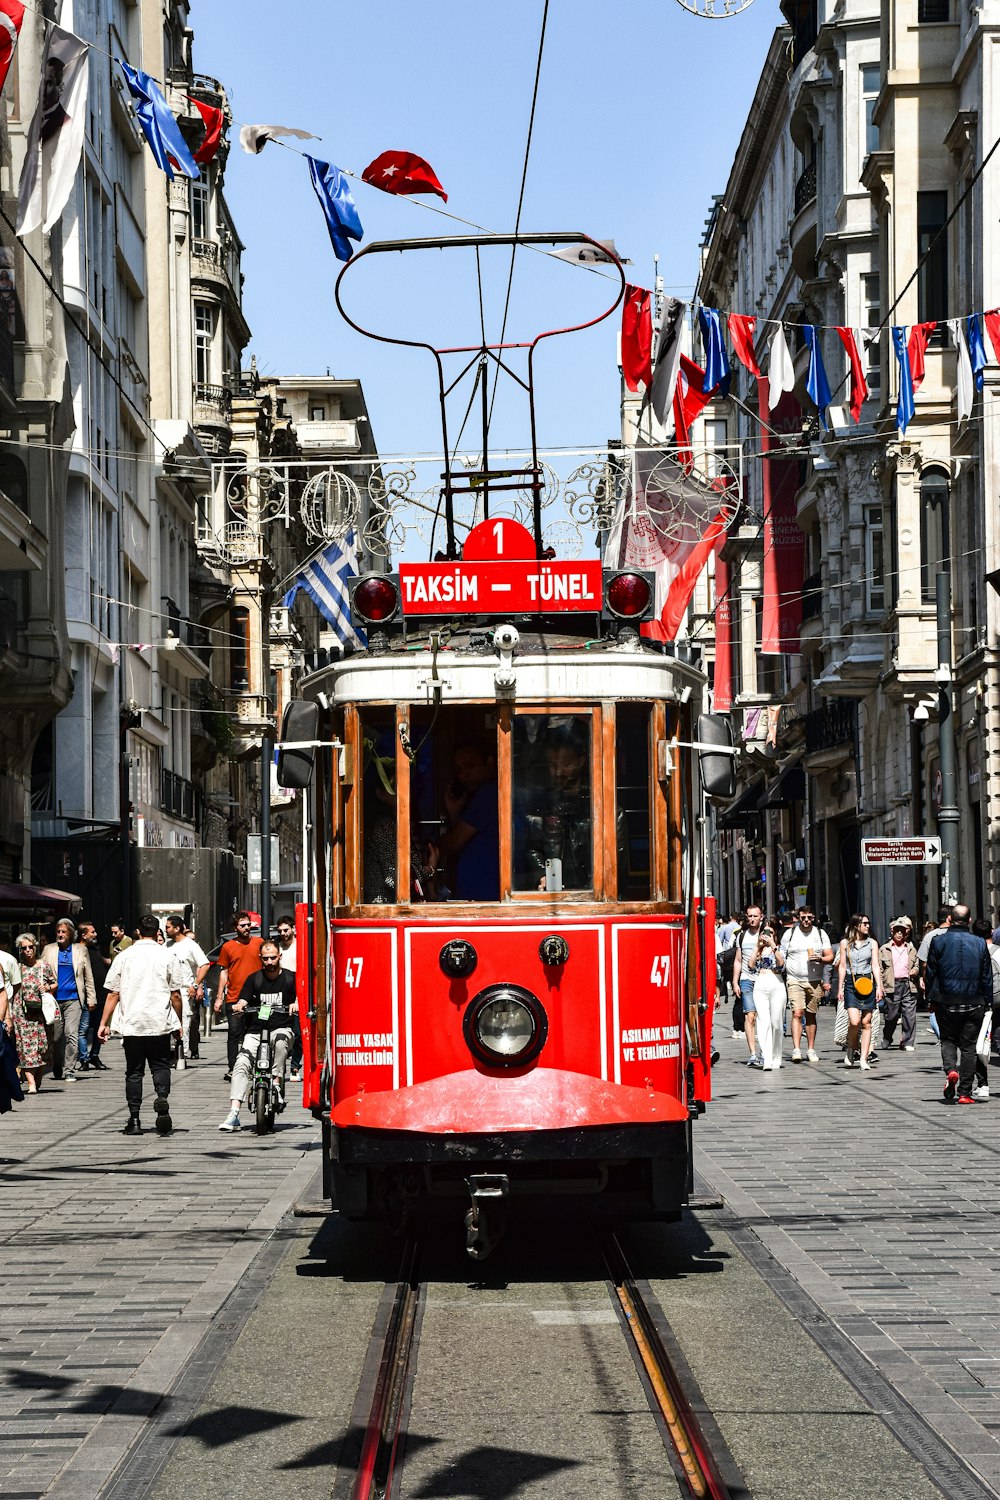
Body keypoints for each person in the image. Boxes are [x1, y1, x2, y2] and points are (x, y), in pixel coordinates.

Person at [98, 913, 185, 1135]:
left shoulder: (124, 957)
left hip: (133, 1022)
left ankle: (135, 1119)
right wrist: (178, 1022)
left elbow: (112, 994)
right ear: (158, 932)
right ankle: (162, 1099)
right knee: (161, 1065)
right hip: (159, 1022)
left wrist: (104, 1023)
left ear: (137, 932)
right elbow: (175, 994)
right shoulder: (167, 956)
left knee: (134, 1072)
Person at [218, 942, 296, 1132]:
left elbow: (300, 996)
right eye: (266, 958)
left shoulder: (289, 978)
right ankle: (234, 1113)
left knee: (280, 1043)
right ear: (261, 958)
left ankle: (276, 1083)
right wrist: (239, 1006)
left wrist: (296, 1003)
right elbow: (244, 998)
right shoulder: (254, 979)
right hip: (255, 1030)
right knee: (242, 1062)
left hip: (280, 1028)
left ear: (279, 956)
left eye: (273, 957)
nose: (269, 961)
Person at [925, 904, 993, 1104]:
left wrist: (930, 997)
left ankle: (951, 1070)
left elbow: (930, 973)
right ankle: (964, 1092)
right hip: (974, 1002)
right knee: (969, 1047)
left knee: (948, 1040)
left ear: (949, 919)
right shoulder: (980, 943)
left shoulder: (938, 941)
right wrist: (987, 1001)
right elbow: (986, 976)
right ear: (969, 920)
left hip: (946, 1000)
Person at [438, 739, 500, 900]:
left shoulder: (489, 794)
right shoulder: (484, 795)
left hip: (487, 896)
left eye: (469, 766)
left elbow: (453, 844)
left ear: (490, 763)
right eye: (459, 769)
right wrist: (454, 812)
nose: (463, 775)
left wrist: (437, 846)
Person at [42, 919, 95, 1082]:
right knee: (57, 1038)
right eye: (58, 932)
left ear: (71, 933)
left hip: (74, 999)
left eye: (63, 932)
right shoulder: (49, 949)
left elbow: (88, 975)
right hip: (55, 1000)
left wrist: (91, 998)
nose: (60, 934)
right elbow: (42, 972)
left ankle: (70, 1069)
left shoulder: (81, 950)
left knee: (72, 1034)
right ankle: (58, 1065)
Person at [780, 906, 833, 1063]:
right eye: (803, 918)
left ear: (813, 918)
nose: (806, 921)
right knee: (797, 1012)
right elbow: (781, 955)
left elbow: (830, 955)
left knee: (811, 1015)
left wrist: (821, 959)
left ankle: (810, 1049)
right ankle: (796, 1049)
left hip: (814, 980)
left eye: (809, 917)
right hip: (794, 979)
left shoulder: (820, 934)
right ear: (798, 918)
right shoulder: (789, 935)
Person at [214, 912, 264, 1079]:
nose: (247, 928)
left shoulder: (259, 943)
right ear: (235, 928)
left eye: (248, 924)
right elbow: (224, 972)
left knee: (256, 1033)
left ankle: (257, 1067)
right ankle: (233, 1068)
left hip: (257, 998)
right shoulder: (228, 947)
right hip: (234, 997)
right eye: (242, 925)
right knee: (234, 1034)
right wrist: (219, 997)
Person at [838, 914, 883, 1070]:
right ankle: (851, 1047)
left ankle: (863, 1059)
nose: (868, 926)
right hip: (851, 982)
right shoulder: (845, 943)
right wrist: (840, 988)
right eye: (864, 923)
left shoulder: (872, 943)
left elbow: (875, 966)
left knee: (866, 1023)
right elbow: (842, 966)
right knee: (854, 1021)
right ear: (856, 925)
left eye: (868, 923)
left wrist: (879, 987)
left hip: (867, 983)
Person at [164, 914, 209, 1064]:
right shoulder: (166, 946)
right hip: (166, 990)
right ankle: (169, 1054)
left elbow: (204, 964)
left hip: (183, 990)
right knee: (167, 1023)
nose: (166, 930)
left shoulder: (190, 945)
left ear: (177, 928)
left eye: (168, 927)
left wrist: (195, 985)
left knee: (183, 1023)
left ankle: (180, 1056)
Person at [10, 935, 49, 1094]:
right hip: (21, 1014)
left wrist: (47, 987)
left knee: (41, 1048)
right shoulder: (17, 967)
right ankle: (31, 1083)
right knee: (25, 1049)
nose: (27, 950)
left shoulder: (43, 966)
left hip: (39, 1014)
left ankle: (37, 1077)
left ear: (35, 947)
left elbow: (54, 983)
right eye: (24, 948)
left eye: (30, 947)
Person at [746, 921, 786, 1069]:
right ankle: (767, 1058)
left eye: (770, 932)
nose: (767, 935)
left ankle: (777, 1056)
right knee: (763, 1021)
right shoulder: (759, 949)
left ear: (775, 934)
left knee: (776, 1023)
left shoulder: (780, 948)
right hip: (761, 983)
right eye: (765, 932)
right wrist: (758, 946)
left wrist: (773, 946)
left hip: (777, 983)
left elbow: (781, 965)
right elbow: (750, 966)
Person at [730, 904, 765, 1067]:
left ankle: (765, 1051)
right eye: (750, 916)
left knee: (764, 1017)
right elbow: (738, 960)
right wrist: (735, 981)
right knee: (749, 1016)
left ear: (761, 917)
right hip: (747, 979)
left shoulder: (767, 933)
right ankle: (752, 1053)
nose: (752, 919)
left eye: (755, 916)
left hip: (764, 979)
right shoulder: (741, 936)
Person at [879, 917, 919, 1051]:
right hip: (892, 985)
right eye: (897, 931)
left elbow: (917, 964)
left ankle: (908, 1042)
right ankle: (887, 1036)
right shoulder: (884, 949)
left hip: (908, 984)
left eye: (902, 931)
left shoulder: (911, 949)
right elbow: (879, 968)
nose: (899, 934)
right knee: (891, 1016)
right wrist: (879, 986)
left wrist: (915, 970)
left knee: (909, 1016)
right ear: (892, 932)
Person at [76, 921, 110, 1071]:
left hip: (101, 995)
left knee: (99, 1027)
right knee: (82, 1029)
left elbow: (102, 962)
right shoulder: (77, 950)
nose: (95, 935)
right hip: (86, 996)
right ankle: (83, 1058)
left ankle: (94, 1055)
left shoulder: (94, 948)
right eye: (92, 932)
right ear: (83, 935)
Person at [276, 917, 303, 1080]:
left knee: (298, 1032)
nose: (283, 934)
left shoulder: (300, 945)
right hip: (279, 989)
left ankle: (295, 1067)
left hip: (297, 988)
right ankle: (278, 1066)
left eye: (286, 930)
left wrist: (299, 999)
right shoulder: (276, 947)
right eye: (280, 931)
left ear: (293, 929)